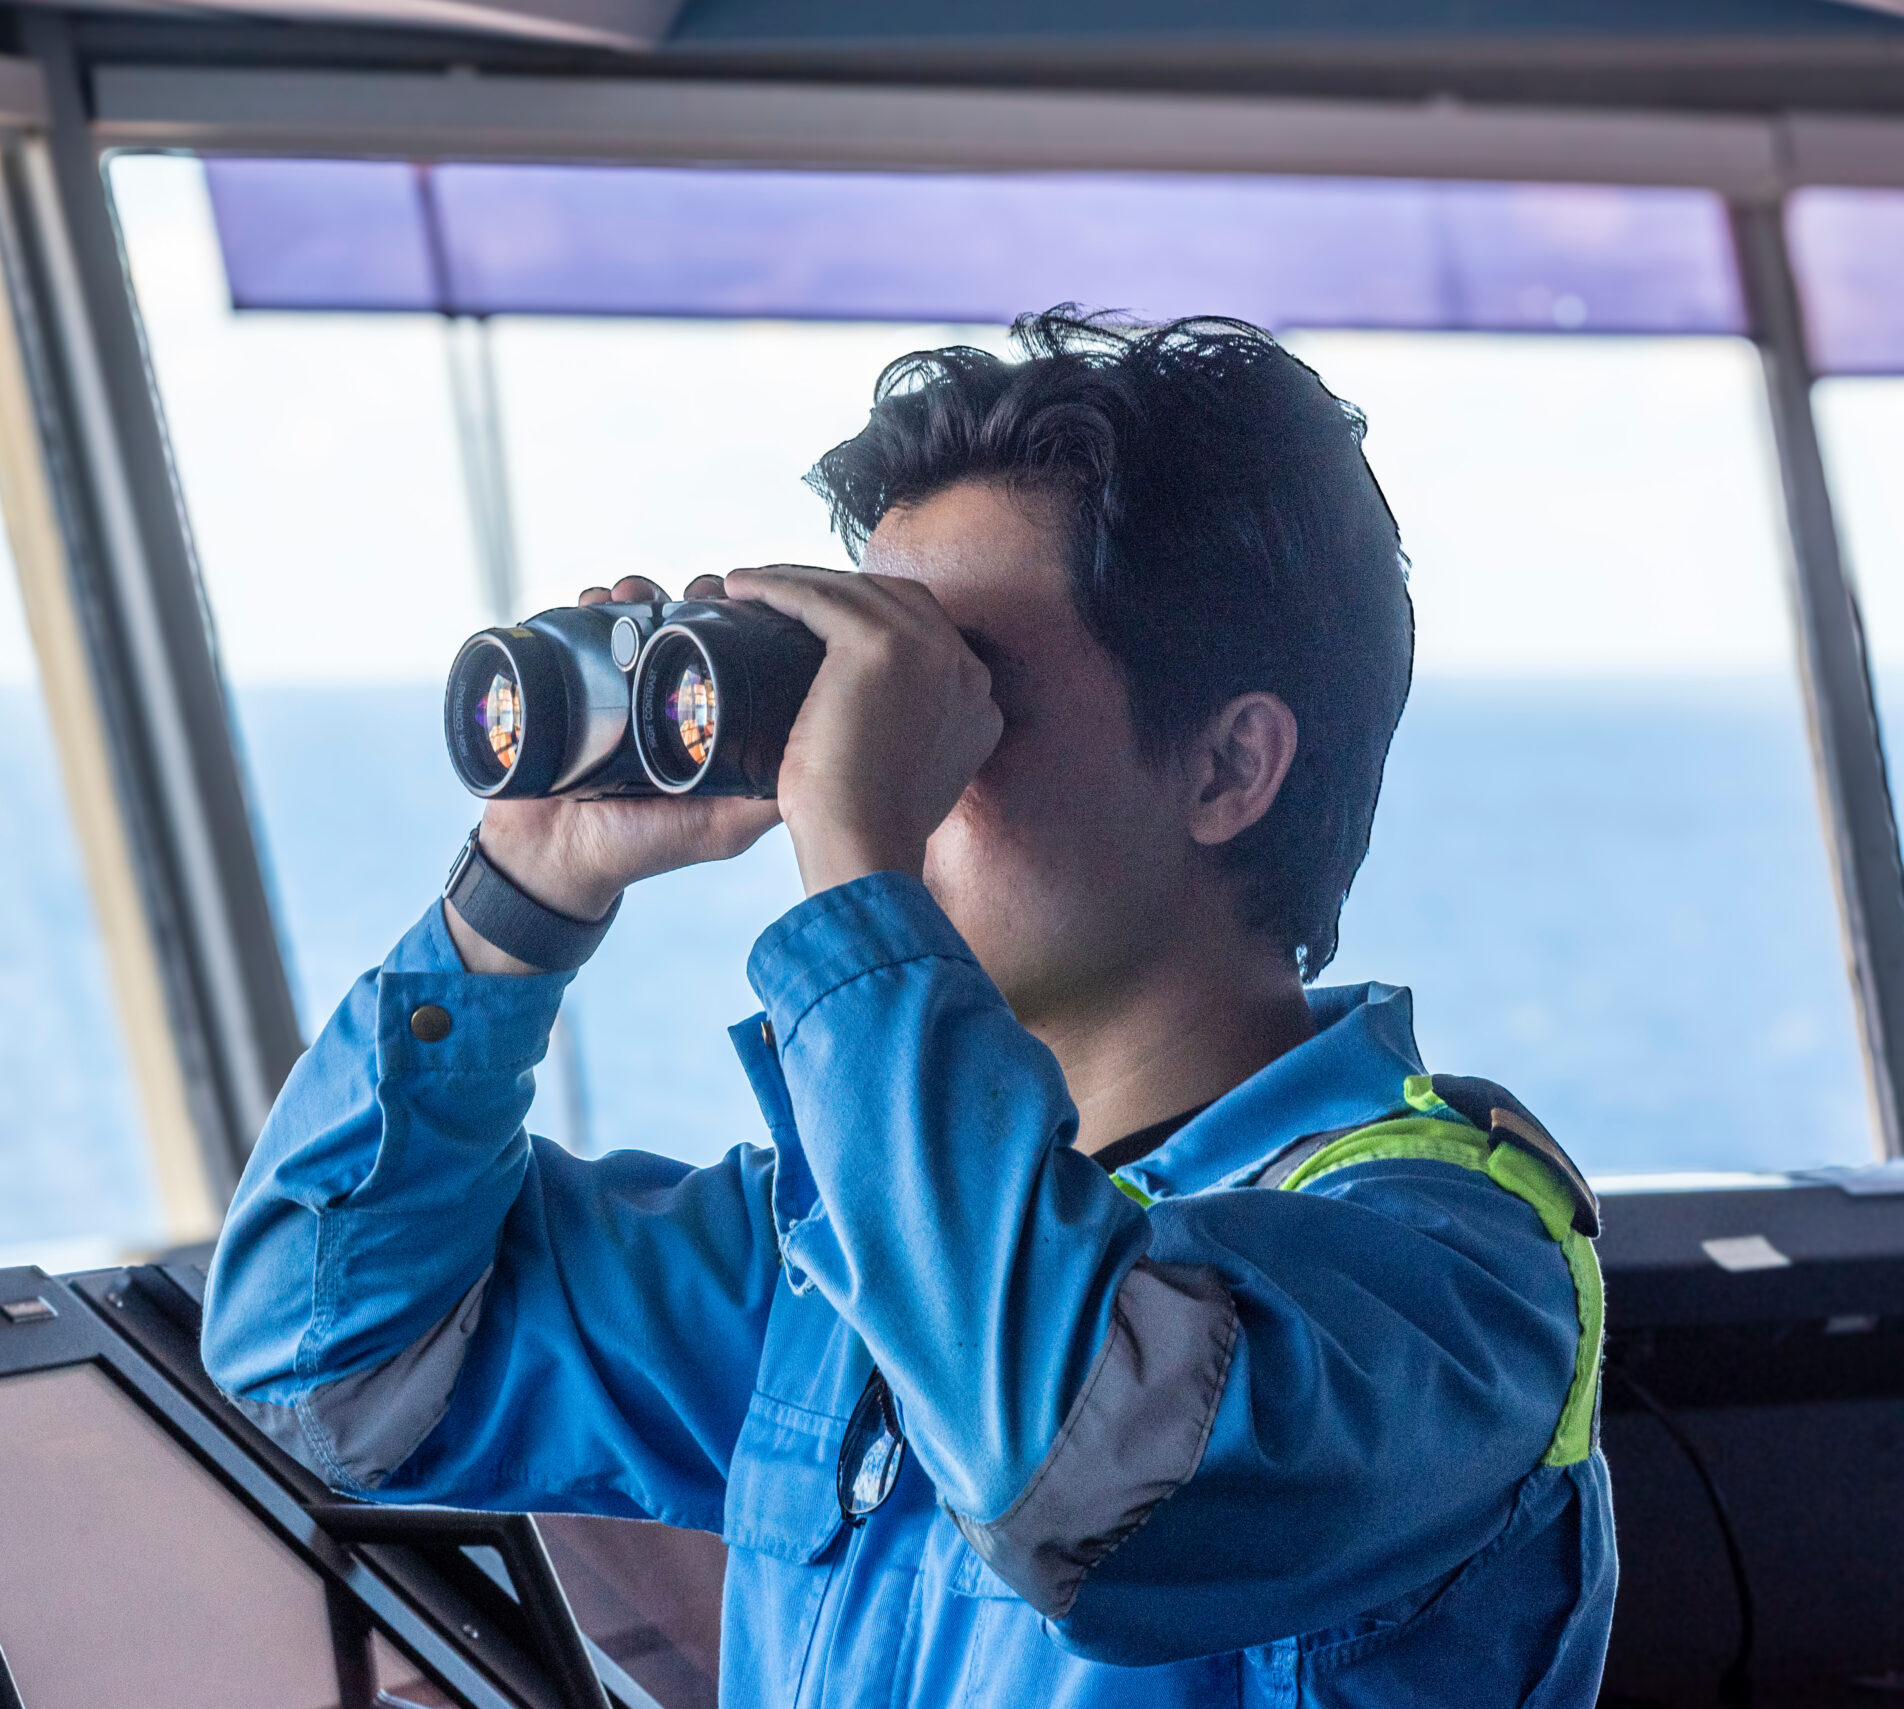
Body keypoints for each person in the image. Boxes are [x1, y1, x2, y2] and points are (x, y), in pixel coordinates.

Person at [202, 311, 1616, 1705]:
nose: (865, 758)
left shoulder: (1456, 1282)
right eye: (875, 696)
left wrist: (861, 870)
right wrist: (526, 890)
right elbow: (318, 1365)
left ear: (1228, 768)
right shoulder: (825, 1268)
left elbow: (1092, 1467)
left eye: (961, 699)